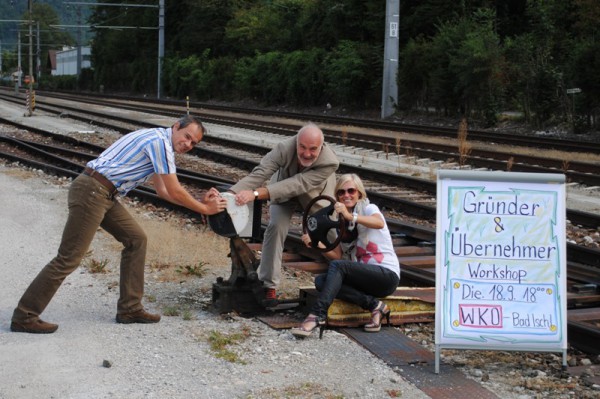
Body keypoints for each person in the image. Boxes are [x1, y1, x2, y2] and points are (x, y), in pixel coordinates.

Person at [10, 115, 228, 334]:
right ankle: (25, 316)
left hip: (104, 194)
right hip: (93, 191)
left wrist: (199, 204)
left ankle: (130, 308)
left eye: (193, 143)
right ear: (175, 127)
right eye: (187, 137)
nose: (188, 144)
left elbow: (163, 191)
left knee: (136, 240)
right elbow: (174, 189)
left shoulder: (159, 141)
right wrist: (205, 209)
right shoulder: (160, 143)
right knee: (69, 258)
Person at [231, 123, 339, 307]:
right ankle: (268, 284)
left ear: (322, 147)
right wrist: (233, 193)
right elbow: (261, 172)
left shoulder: (330, 162)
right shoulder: (283, 148)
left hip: (315, 192)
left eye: (313, 149)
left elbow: (298, 184)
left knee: (331, 231)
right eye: (302, 147)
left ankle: (346, 270)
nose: (306, 153)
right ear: (296, 142)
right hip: (280, 189)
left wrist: (257, 194)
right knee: (276, 226)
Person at [291, 173, 400, 338]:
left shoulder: (369, 209)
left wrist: (351, 216)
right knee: (321, 280)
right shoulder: (342, 225)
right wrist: (316, 244)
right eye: (341, 192)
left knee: (336, 269)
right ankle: (375, 306)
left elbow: (379, 223)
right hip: (366, 278)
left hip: (386, 276)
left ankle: (317, 315)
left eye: (351, 191)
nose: (346, 195)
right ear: (337, 198)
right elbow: (337, 258)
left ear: (359, 193)